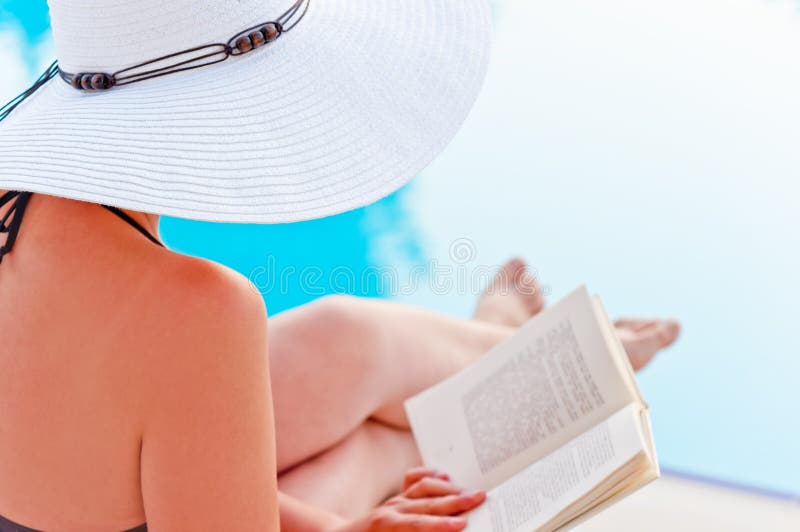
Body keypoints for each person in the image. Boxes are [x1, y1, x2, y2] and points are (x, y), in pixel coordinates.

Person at [0, 0, 679, 530]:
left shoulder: (19, 200)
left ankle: (507, 349)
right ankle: (537, 359)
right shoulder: (198, 312)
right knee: (364, 454)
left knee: (347, 335)